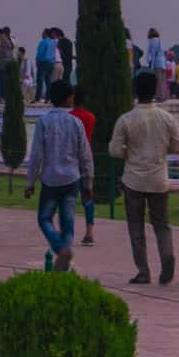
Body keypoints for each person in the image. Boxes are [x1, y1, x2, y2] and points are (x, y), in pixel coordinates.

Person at [109, 71, 179, 283]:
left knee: (136, 227)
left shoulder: (126, 119)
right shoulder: (166, 118)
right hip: (159, 178)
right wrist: (160, 150)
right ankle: (167, 257)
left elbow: (115, 151)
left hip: (133, 179)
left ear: (135, 91)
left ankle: (143, 271)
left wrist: (131, 153)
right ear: (155, 92)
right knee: (162, 224)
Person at [25, 80, 93, 271]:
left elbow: (36, 155)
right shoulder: (76, 123)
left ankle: (60, 248)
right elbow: (85, 156)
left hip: (50, 179)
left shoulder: (44, 122)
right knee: (68, 221)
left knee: (45, 219)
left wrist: (30, 182)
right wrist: (88, 184)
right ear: (70, 97)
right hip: (72, 178)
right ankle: (67, 256)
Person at [70, 87, 98, 245]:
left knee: (69, 198)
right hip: (87, 159)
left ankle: (68, 231)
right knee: (87, 195)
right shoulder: (90, 117)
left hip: (71, 160)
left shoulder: (70, 117)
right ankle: (89, 232)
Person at [142, 28, 168, 100]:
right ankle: (164, 96)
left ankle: (160, 96)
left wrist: (152, 66)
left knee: (158, 81)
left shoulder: (152, 41)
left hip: (157, 63)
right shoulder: (160, 40)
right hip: (163, 63)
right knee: (163, 81)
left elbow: (153, 54)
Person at [0, 27, 18, 99]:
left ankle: (0, 96)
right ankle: (3, 96)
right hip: (9, 62)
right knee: (4, 80)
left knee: (1, 80)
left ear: (1, 33)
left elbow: (1, 52)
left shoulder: (4, 40)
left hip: (4, 63)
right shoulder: (10, 40)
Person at [33, 28, 58, 96]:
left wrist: (37, 62)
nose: (42, 34)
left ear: (46, 34)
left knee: (40, 81)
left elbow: (40, 53)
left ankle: (37, 97)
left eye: (43, 33)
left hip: (43, 63)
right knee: (48, 81)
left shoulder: (43, 42)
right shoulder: (53, 42)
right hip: (51, 63)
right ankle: (48, 97)